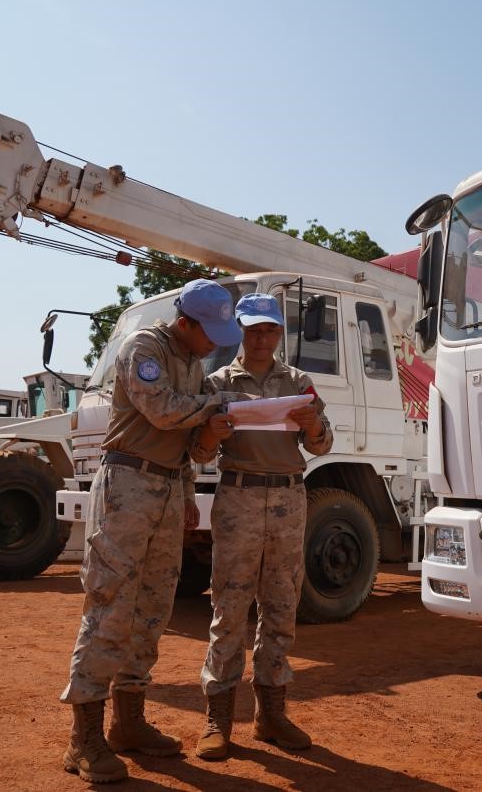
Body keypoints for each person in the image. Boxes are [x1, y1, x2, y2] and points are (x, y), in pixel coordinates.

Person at [60, 278, 244, 785]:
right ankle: (84, 740)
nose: (216, 343)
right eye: (210, 333)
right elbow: (162, 411)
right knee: (110, 604)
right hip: (127, 486)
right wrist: (214, 411)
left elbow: (197, 450)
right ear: (185, 322)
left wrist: (206, 445)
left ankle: (129, 723)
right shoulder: (145, 347)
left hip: (166, 490)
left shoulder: (194, 363)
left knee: (152, 608)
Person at [188, 293, 333, 760]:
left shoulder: (298, 381)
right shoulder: (217, 382)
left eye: (270, 329)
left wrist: (313, 426)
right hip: (239, 495)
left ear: (279, 333)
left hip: (289, 497)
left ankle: (271, 714)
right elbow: (199, 452)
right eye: (254, 329)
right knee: (229, 605)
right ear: (241, 332)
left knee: (281, 604)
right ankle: (218, 719)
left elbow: (323, 446)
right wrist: (210, 433)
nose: (262, 337)